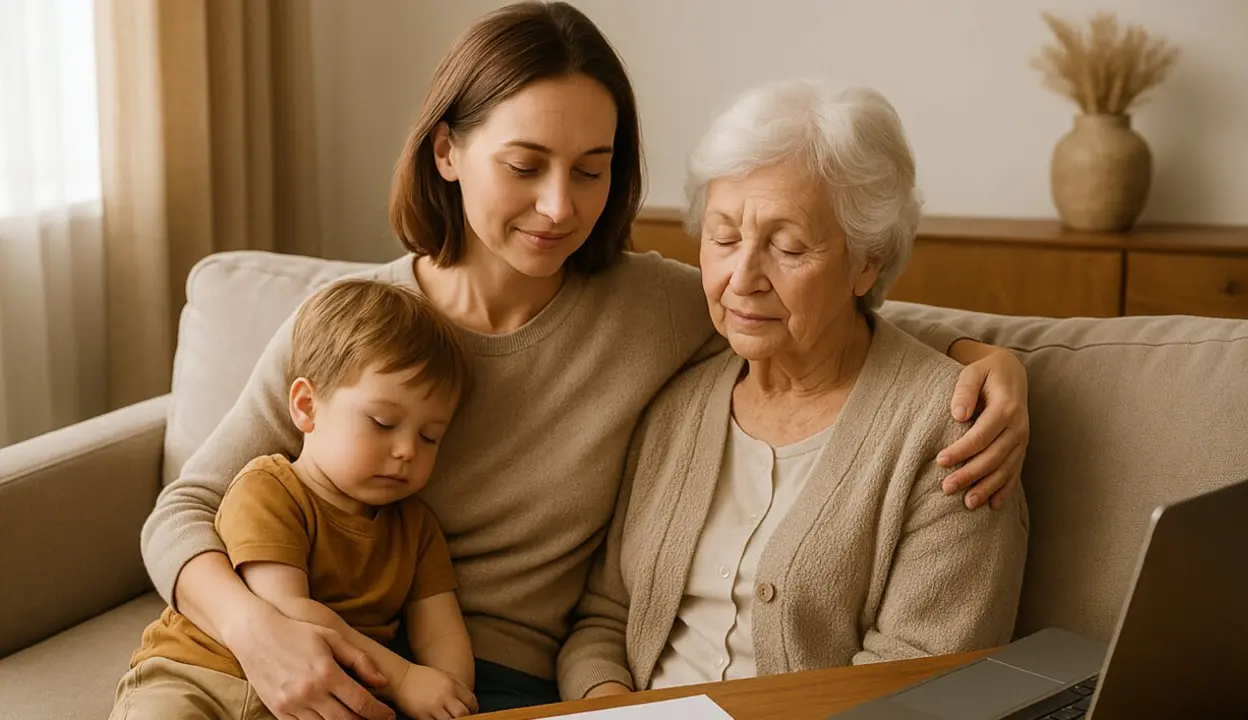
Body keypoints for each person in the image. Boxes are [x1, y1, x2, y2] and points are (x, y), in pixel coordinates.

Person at [138, 3, 1030, 717]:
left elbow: (824, 309)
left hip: (500, 680)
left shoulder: (655, 307)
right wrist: (257, 630)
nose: (560, 207)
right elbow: (186, 506)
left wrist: (985, 358)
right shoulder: (353, 324)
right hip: (322, 646)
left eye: (592, 170)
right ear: (447, 151)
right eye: (525, 165)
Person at [557, 81, 1031, 701]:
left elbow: (923, 681)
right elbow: (604, 618)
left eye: (787, 247)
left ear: (868, 260)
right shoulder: (675, 406)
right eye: (723, 238)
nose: (743, 278)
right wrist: (606, 706)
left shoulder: (953, 429)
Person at [112, 280, 477, 719]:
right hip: (198, 675)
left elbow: (442, 635)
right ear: (307, 406)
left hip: (325, 695)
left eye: (429, 436)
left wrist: (449, 693)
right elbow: (287, 611)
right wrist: (402, 679)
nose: (407, 451)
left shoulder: (416, 529)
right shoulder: (270, 488)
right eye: (383, 422)